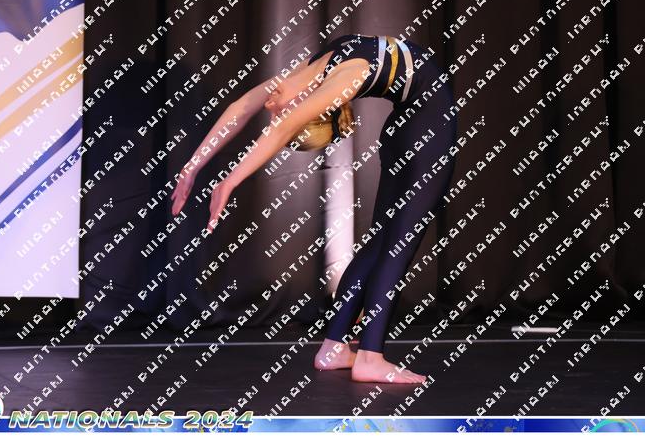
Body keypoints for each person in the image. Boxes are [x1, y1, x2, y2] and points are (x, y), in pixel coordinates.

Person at [170, 34, 457, 384]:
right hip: (429, 127)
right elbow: (267, 122)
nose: (270, 108)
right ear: (308, 107)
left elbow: (245, 108)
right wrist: (212, 174)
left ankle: (335, 348)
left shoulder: (321, 69)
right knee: (395, 244)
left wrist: (208, 173)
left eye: (277, 113)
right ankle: (369, 357)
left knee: (384, 244)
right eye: (282, 113)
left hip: (412, 126)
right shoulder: (337, 79)